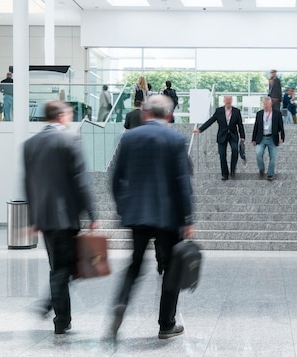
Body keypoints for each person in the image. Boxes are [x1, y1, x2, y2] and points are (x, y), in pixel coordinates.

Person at [110, 95, 194, 340]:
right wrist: (188, 218)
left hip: (137, 214)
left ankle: (121, 303)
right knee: (171, 269)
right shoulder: (176, 139)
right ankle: (166, 324)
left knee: (135, 265)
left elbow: (116, 179)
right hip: (169, 216)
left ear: (146, 113)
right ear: (168, 115)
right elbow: (182, 182)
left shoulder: (129, 137)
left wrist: (123, 208)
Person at [23, 101, 98, 335]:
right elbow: (80, 181)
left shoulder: (30, 144)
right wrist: (92, 214)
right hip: (66, 216)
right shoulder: (70, 139)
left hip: (45, 217)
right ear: (62, 116)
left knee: (58, 266)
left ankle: (61, 318)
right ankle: (50, 308)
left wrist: (34, 216)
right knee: (64, 269)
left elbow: (28, 184)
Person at [193, 95, 245, 180]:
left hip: (233, 135)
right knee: (222, 154)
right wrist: (200, 129)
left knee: (235, 150)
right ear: (224, 101)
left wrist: (242, 137)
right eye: (226, 100)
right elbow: (211, 121)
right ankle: (225, 174)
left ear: (231, 101)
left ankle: (232, 171)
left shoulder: (236, 111)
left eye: (229, 100)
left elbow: (240, 125)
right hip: (222, 135)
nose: (228, 102)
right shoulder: (219, 111)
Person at [252, 96, 285, 181]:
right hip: (261, 137)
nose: (265, 105)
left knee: (273, 157)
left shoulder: (277, 114)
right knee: (258, 153)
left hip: (272, 138)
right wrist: (253, 139)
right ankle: (261, 169)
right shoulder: (259, 113)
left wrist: (282, 137)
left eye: (267, 104)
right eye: (264, 104)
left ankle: (270, 174)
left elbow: (281, 126)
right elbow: (256, 126)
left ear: (271, 104)